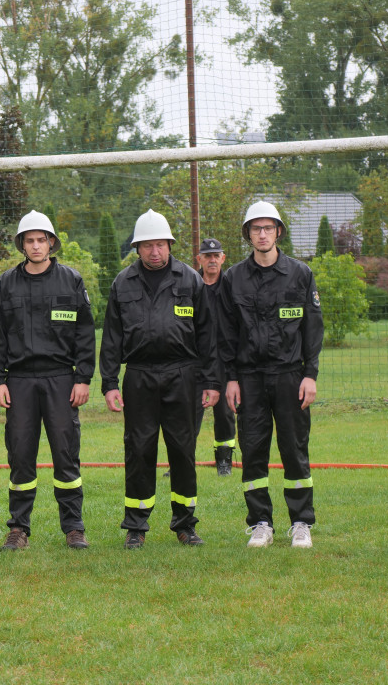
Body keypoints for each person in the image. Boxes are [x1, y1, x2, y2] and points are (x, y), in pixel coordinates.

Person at [100, 209, 221, 549]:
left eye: (161, 245)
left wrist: (211, 382)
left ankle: (185, 524)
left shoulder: (190, 280)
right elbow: (111, 338)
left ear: (170, 245)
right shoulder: (123, 283)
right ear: (137, 248)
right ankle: (136, 526)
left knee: (183, 450)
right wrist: (109, 383)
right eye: (148, 245)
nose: (155, 252)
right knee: (139, 450)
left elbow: (207, 335)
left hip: (183, 375)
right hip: (138, 376)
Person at [0, 210, 96, 550]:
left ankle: (74, 528)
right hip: (19, 381)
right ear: (22, 245)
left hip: (61, 380)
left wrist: (83, 377)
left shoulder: (71, 280)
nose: (36, 246)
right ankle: (18, 529)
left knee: (66, 454)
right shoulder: (6, 283)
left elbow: (85, 333)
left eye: (41, 239)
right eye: (29, 240)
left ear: (51, 242)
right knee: (20, 455)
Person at [218, 202, 323, 549]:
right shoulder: (232, 277)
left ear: (279, 232)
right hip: (248, 378)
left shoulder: (300, 274)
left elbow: (312, 329)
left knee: (295, 448)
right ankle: (260, 522)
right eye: (255, 228)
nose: (262, 234)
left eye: (268, 228)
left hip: (290, 375)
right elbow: (226, 333)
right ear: (247, 234)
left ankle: (301, 523)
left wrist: (311, 375)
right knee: (253, 449)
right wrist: (231, 379)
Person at [194, 238, 238, 476]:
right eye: (207, 256)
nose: (212, 260)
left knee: (224, 412)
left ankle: (224, 461)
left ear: (223, 258)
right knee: (187, 413)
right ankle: (181, 460)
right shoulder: (189, 284)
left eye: (216, 256)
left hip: (223, 359)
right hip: (195, 360)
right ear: (199, 259)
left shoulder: (231, 286)